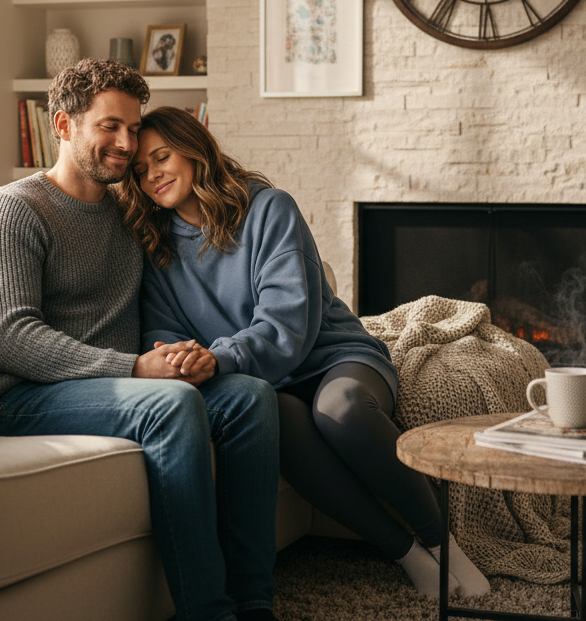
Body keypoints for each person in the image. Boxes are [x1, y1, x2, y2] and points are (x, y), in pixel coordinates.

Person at [117, 106, 492, 599]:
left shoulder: (269, 208)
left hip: (332, 356)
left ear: (193, 148)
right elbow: (161, 332)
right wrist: (178, 358)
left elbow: (287, 325)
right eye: (140, 171)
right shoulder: (156, 247)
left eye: (161, 157)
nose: (152, 175)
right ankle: (405, 554)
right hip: (265, 383)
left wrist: (221, 357)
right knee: (277, 425)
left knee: (343, 409)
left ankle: (443, 545)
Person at [0, 60, 282, 621]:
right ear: (63, 125)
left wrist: (183, 355)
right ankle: (208, 614)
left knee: (250, 396)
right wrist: (136, 369)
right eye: (110, 126)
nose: (127, 143)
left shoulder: (129, 209)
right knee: (173, 404)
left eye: (133, 129)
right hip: (17, 395)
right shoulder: (13, 212)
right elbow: (12, 338)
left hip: (117, 382)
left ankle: (253, 602)